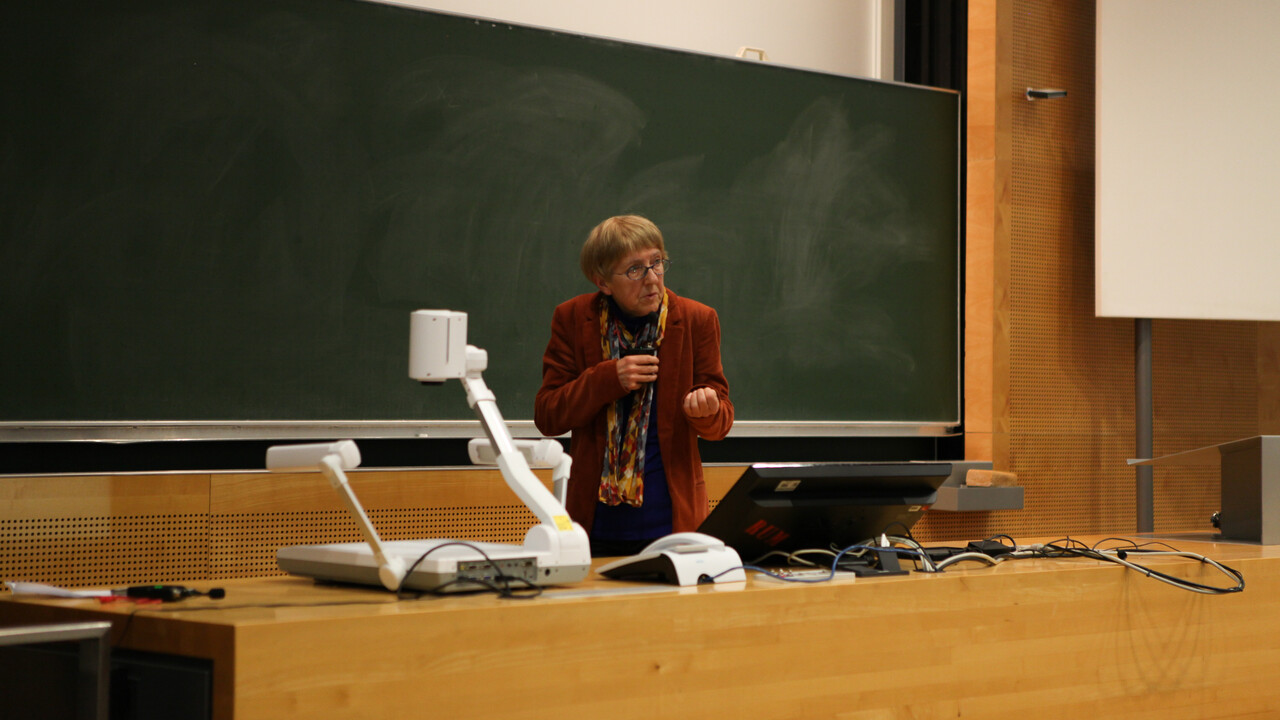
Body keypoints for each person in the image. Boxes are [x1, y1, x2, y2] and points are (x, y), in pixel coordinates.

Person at [534, 215, 734, 557]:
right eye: (635, 270)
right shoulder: (572, 318)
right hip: (593, 526)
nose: (652, 279)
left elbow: (720, 422)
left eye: (657, 263)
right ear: (603, 282)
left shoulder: (697, 319)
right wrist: (608, 378)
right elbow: (549, 416)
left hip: (673, 525)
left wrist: (708, 410)